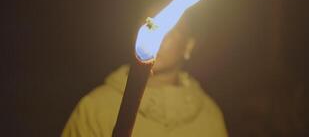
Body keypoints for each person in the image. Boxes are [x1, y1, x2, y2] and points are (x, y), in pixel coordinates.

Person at [62, 11, 228, 137]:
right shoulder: (95, 107)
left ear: (188, 45)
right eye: (150, 27)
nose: (157, 37)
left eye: (169, 31)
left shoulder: (209, 115)